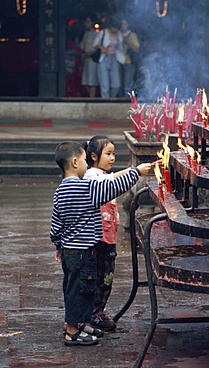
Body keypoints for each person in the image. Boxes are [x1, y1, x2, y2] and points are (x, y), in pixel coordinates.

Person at [50, 141, 151, 346]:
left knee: (78, 287)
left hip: (70, 250)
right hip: (83, 251)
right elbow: (113, 187)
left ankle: (81, 324)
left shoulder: (60, 191)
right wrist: (136, 172)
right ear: (75, 162)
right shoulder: (87, 187)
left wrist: (58, 245)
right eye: (86, 161)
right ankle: (72, 331)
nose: (88, 166)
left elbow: (56, 223)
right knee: (81, 290)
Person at [83, 135, 131, 331]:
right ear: (94, 156)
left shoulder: (103, 175)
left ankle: (99, 311)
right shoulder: (91, 176)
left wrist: (132, 171)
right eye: (108, 154)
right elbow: (111, 182)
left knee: (107, 277)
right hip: (97, 238)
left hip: (109, 236)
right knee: (94, 276)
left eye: (114, 154)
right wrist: (133, 173)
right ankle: (90, 313)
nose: (112, 158)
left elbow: (113, 177)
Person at [93, 18, 125, 98]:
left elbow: (120, 48)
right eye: (115, 28)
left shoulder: (119, 34)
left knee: (116, 85)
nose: (115, 30)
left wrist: (120, 61)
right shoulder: (103, 32)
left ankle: (111, 99)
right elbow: (94, 44)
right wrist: (101, 47)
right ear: (111, 26)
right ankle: (106, 102)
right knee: (105, 86)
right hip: (104, 58)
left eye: (117, 28)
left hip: (114, 59)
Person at [119, 18, 140, 97]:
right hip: (118, 62)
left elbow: (137, 49)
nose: (123, 26)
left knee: (127, 85)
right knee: (119, 85)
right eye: (121, 24)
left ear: (128, 25)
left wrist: (128, 42)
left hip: (129, 62)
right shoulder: (118, 34)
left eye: (124, 24)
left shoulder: (132, 35)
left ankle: (127, 103)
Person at [80, 14, 99, 97]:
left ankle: (92, 99)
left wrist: (92, 52)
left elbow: (98, 47)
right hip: (86, 59)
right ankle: (91, 97)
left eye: (88, 22)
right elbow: (82, 46)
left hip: (93, 60)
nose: (86, 23)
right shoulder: (86, 34)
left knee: (92, 81)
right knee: (85, 82)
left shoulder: (97, 34)